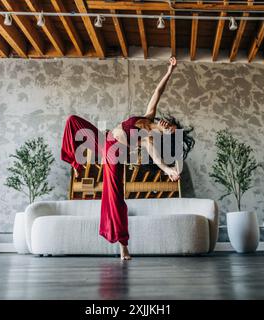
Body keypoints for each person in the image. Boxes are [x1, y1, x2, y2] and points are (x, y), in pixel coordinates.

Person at [61, 57, 195, 260]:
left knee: (115, 199)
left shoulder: (148, 140)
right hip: (104, 139)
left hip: (114, 156)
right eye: (171, 125)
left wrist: (168, 170)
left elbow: (157, 160)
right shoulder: (149, 116)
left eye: (170, 132)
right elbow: (158, 92)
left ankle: (123, 246)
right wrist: (170, 70)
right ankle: (75, 162)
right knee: (73, 121)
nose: (168, 127)